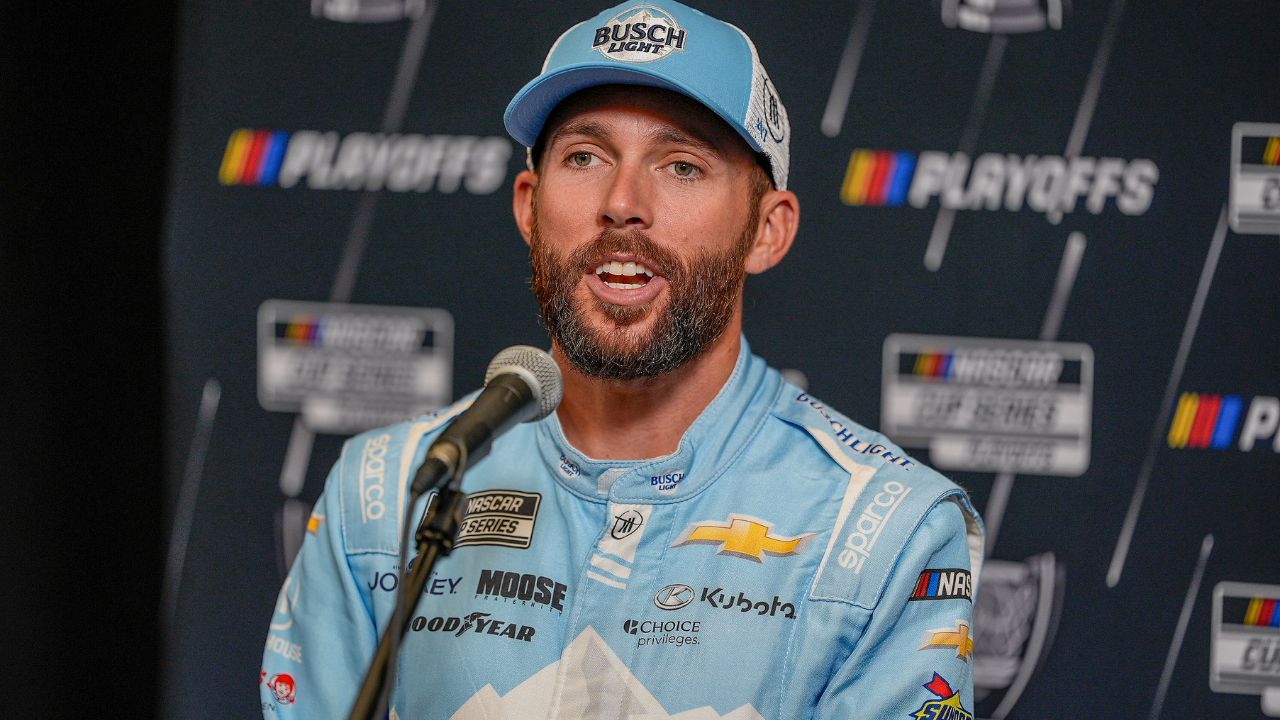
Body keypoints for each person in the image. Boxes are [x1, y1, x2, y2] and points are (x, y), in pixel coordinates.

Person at [261, 2, 983, 718]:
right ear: (528, 205)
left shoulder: (888, 530)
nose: (622, 203)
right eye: (584, 156)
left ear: (768, 231)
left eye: (682, 165)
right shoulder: (385, 494)